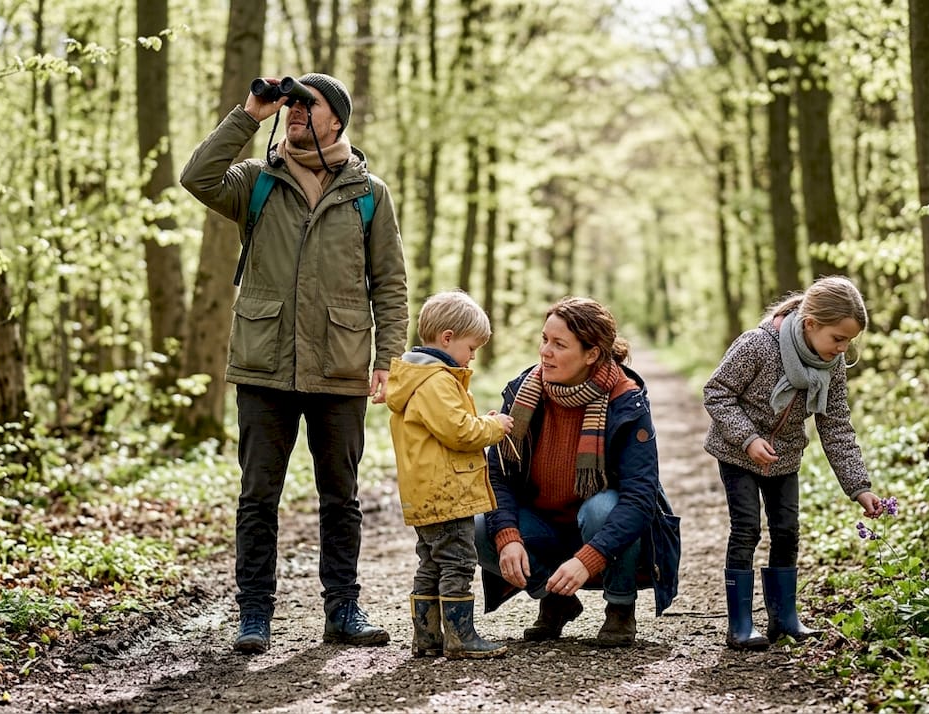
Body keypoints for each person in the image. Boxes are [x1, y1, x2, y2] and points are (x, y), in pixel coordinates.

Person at [180, 72, 408, 655]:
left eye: (311, 103)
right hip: (265, 364)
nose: (298, 110)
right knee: (258, 496)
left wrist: (388, 358)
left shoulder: (368, 193)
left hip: (340, 365)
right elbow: (196, 176)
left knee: (341, 496)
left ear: (337, 119)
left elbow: (390, 283)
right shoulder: (256, 181)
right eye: (293, 102)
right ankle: (254, 614)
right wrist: (249, 115)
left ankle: (344, 609)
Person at [476, 297, 680, 648]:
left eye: (559, 344)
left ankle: (620, 607)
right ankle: (555, 599)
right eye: (544, 339)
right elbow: (499, 475)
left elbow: (640, 499)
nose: (545, 352)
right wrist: (507, 537)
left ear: (591, 354)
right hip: (543, 524)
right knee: (478, 527)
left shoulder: (625, 401)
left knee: (602, 508)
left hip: (601, 529)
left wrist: (589, 559)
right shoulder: (523, 392)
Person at [703, 275, 883, 650]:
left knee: (786, 531)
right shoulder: (758, 345)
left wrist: (859, 487)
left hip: (784, 458)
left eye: (849, 341)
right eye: (838, 338)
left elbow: (836, 426)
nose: (842, 348)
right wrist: (748, 438)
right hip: (738, 453)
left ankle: (784, 619)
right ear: (811, 323)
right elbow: (717, 393)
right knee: (747, 528)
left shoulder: (832, 365)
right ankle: (740, 625)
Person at [385, 290, 513, 660]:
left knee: (431, 562)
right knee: (458, 561)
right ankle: (460, 636)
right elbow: (458, 432)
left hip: (426, 491)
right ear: (447, 338)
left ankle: (427, 637)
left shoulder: (415, 378)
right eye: (471, 348)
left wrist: (479, 421)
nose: (472, 356)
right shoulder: (436, 380)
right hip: (448, 491)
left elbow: (446, 427)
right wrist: (494, 427)